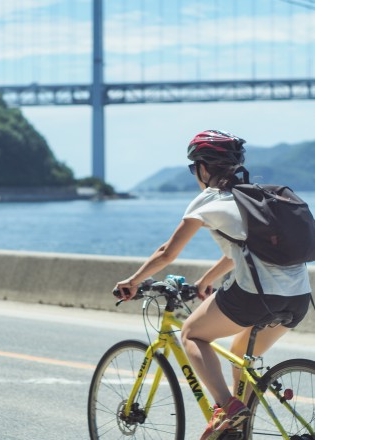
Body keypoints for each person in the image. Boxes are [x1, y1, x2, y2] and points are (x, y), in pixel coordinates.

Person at [113, 129, 312, 440]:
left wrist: (133, 280)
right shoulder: (256, 198)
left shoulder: (209, 200)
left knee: (192, 333)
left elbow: (168, 252)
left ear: (203, 168)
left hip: (256, 298)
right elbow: (241, 252)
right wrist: (207, 280)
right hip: (298, 298)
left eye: (194, 169)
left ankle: (226, 409)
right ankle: (236, 431)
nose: (196, 175)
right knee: (239, 358)